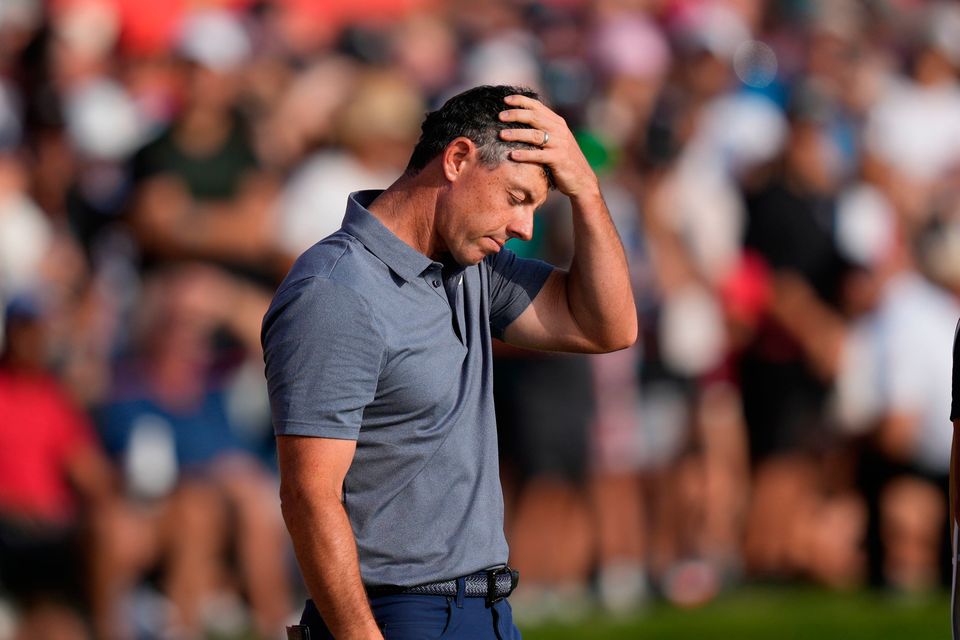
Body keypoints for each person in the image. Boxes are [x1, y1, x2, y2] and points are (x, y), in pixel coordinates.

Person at [261, 84, 637, 639]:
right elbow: (309, 495)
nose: (525, 229)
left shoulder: (472, 271)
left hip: (485, 610)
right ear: (458, 159)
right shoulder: (336, 290)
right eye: (516, 197)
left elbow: (607, 326)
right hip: (396, 615)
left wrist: (585, 188)